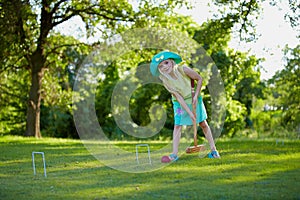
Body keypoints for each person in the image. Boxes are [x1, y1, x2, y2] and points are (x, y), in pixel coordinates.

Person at [150, 51, 220, 162]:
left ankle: (214, 151)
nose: (164, 67)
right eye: (161, 66)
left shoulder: (183, 69)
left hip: (193, 97)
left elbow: (199, 79)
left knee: (202, 123)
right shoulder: (165, 81)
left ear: (172, 62)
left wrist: (196, 96)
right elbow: (178, 98)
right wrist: (190, 113)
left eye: (166, 63)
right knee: (178, 125)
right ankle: (174, 154)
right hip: (179, 103)